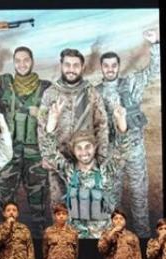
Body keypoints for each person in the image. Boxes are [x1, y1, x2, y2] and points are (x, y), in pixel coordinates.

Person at [0, 32, 52, 236]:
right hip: (9, 152)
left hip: (36, 154)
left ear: (32, 62)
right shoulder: (4, 84)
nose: (22, 64)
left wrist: (41, 113)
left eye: (26, 60)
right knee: (5, 198)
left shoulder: (46, 88)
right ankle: (7, 238)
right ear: (14, 63)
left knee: (39, 202)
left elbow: (59, 115)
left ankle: (39, 239)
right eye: (18, 60)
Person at [96, 30, 160, 237]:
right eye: (106, 65)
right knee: (111, 200)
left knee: (139, 198)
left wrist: (155, 44)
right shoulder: (95, 92)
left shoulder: (131, 83)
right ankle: (114, 241)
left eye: (114, 65)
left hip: (134, 151)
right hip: (111, 155)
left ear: (118, 66)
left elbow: (154, 70)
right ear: (101, 68)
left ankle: (143, 239)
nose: (110, 69)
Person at [38, 48, 109, 212]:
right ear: (61, 65)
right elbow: (42, 125)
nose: (71, 69)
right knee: (59, 208)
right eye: (67, 65)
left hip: (86, 160)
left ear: (82, 67)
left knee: (87, 206)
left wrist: (101, 157)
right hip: (57, 158)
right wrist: (45, 155)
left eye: (76, 65)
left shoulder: (91, 93)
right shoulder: (50, 94)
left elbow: (102, 125)